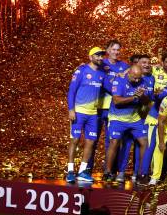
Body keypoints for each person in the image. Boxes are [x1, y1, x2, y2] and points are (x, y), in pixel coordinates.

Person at [104, 65, 152, 182]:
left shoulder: (142, 82)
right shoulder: (119, 81)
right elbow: (116, 101)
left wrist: (142, 97)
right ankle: (108, 172)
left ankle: (142, 173)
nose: (137, 81)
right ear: (129, 73)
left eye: (138, 78)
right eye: (134, 78)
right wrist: (134, 97)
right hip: (117, 118)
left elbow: (147, 102)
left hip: (134, 119)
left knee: (144, 142)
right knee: (114, 142)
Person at [65, 47, 106, 183]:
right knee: (75, 140)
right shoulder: (81, 70)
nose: (100, 58)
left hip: (93, 114)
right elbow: (71, 91)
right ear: (90, 57)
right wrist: (71, 109)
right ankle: (70, 171)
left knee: (90, 141)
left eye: (101, 56)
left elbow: (110, 86)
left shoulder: (102, 74)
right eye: (97, 55)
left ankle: (82, 171)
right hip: (79, 112)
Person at [94, 40, 129, 171]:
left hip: (114, 109)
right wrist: (116, 80)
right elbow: (101, 82)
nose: (116, 52)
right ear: (107, 50)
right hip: (98, 107)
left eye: (118, 49)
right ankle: (87, 171)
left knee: (112, 141)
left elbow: (126, 85)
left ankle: (108, 172)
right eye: (113, 49)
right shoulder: (100, 64)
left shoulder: (124, 66)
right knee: (93, 140)